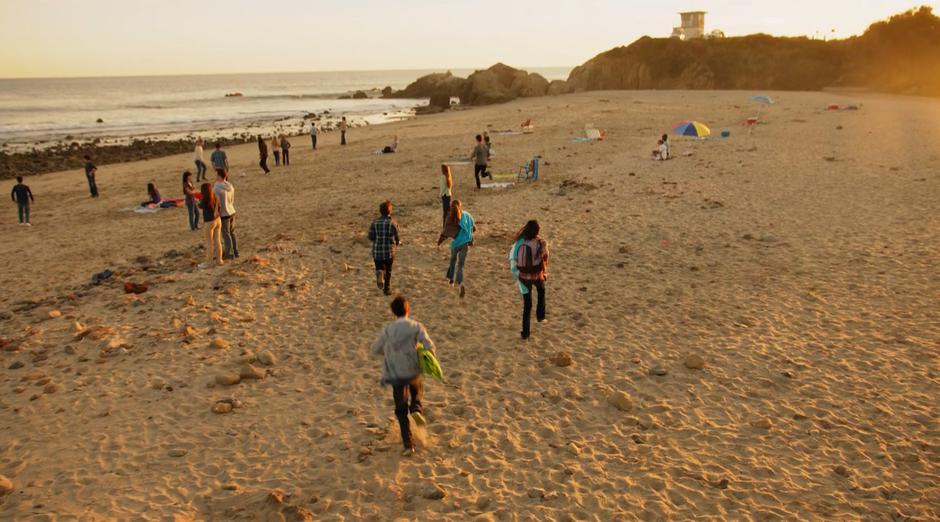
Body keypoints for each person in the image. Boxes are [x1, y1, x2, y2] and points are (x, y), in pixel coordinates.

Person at [369, 295, 435, 456]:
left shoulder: (388, 329)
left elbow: (375, 349)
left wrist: (389, 352)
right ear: (408, 309)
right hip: (412, 371)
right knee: (417, 393)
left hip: (395, 374)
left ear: (393, 312)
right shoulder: (415, 326)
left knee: (400, 409)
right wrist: (424, 355)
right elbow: (429, 345)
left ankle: (408, 445)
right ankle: (417, 410)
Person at [511, 220, 548, 340]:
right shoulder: (541, 242)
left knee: (527, 305)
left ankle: (525, 333)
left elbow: (514, 259)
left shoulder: (519, 242)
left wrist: (517, 274)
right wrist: (544, 273)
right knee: (541, 291)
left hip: (523, 277)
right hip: (537, 275)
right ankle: (540, 317)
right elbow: (545, 258)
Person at [437, 199, 474, 298]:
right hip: (465, 244)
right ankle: (460, 284)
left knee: (453, 261)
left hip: (455, 244)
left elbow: (445, 233)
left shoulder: (449, 218)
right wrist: (470, 239)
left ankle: (451, 280)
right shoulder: (467, 215)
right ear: (460, 207)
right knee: (460, 266)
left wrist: (438, 243)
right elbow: (473, 228)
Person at [368, 200, 401, 296]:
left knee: (379, 266)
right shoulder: (393, 223)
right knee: (389, 270)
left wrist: (376, 239)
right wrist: (397, 243)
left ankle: (380, 272)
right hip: (389, 252)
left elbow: (370, 237)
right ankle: (387, 289)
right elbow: (397, 237)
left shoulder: (374, 222)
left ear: (380, 211)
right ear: (390, 211)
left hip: (377, 251)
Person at [214, 170, 238, 259]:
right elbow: (232, 199)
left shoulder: (217, 187)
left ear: (219, 176)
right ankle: (236, 251)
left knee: (226, 234)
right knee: (232, 233)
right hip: (232, 211)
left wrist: (216, 212)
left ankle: (229, 253)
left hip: (224, 213)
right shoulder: (230, 185)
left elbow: (217, 202)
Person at [198, 182, 223, 268]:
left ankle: (209, 262)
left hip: (209, 222)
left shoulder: (205, 199)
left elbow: (200, 206)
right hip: (218, 220)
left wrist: (198, 200)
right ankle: (219, 260)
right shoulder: (215, 196)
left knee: (209, 243)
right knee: (218, 241)